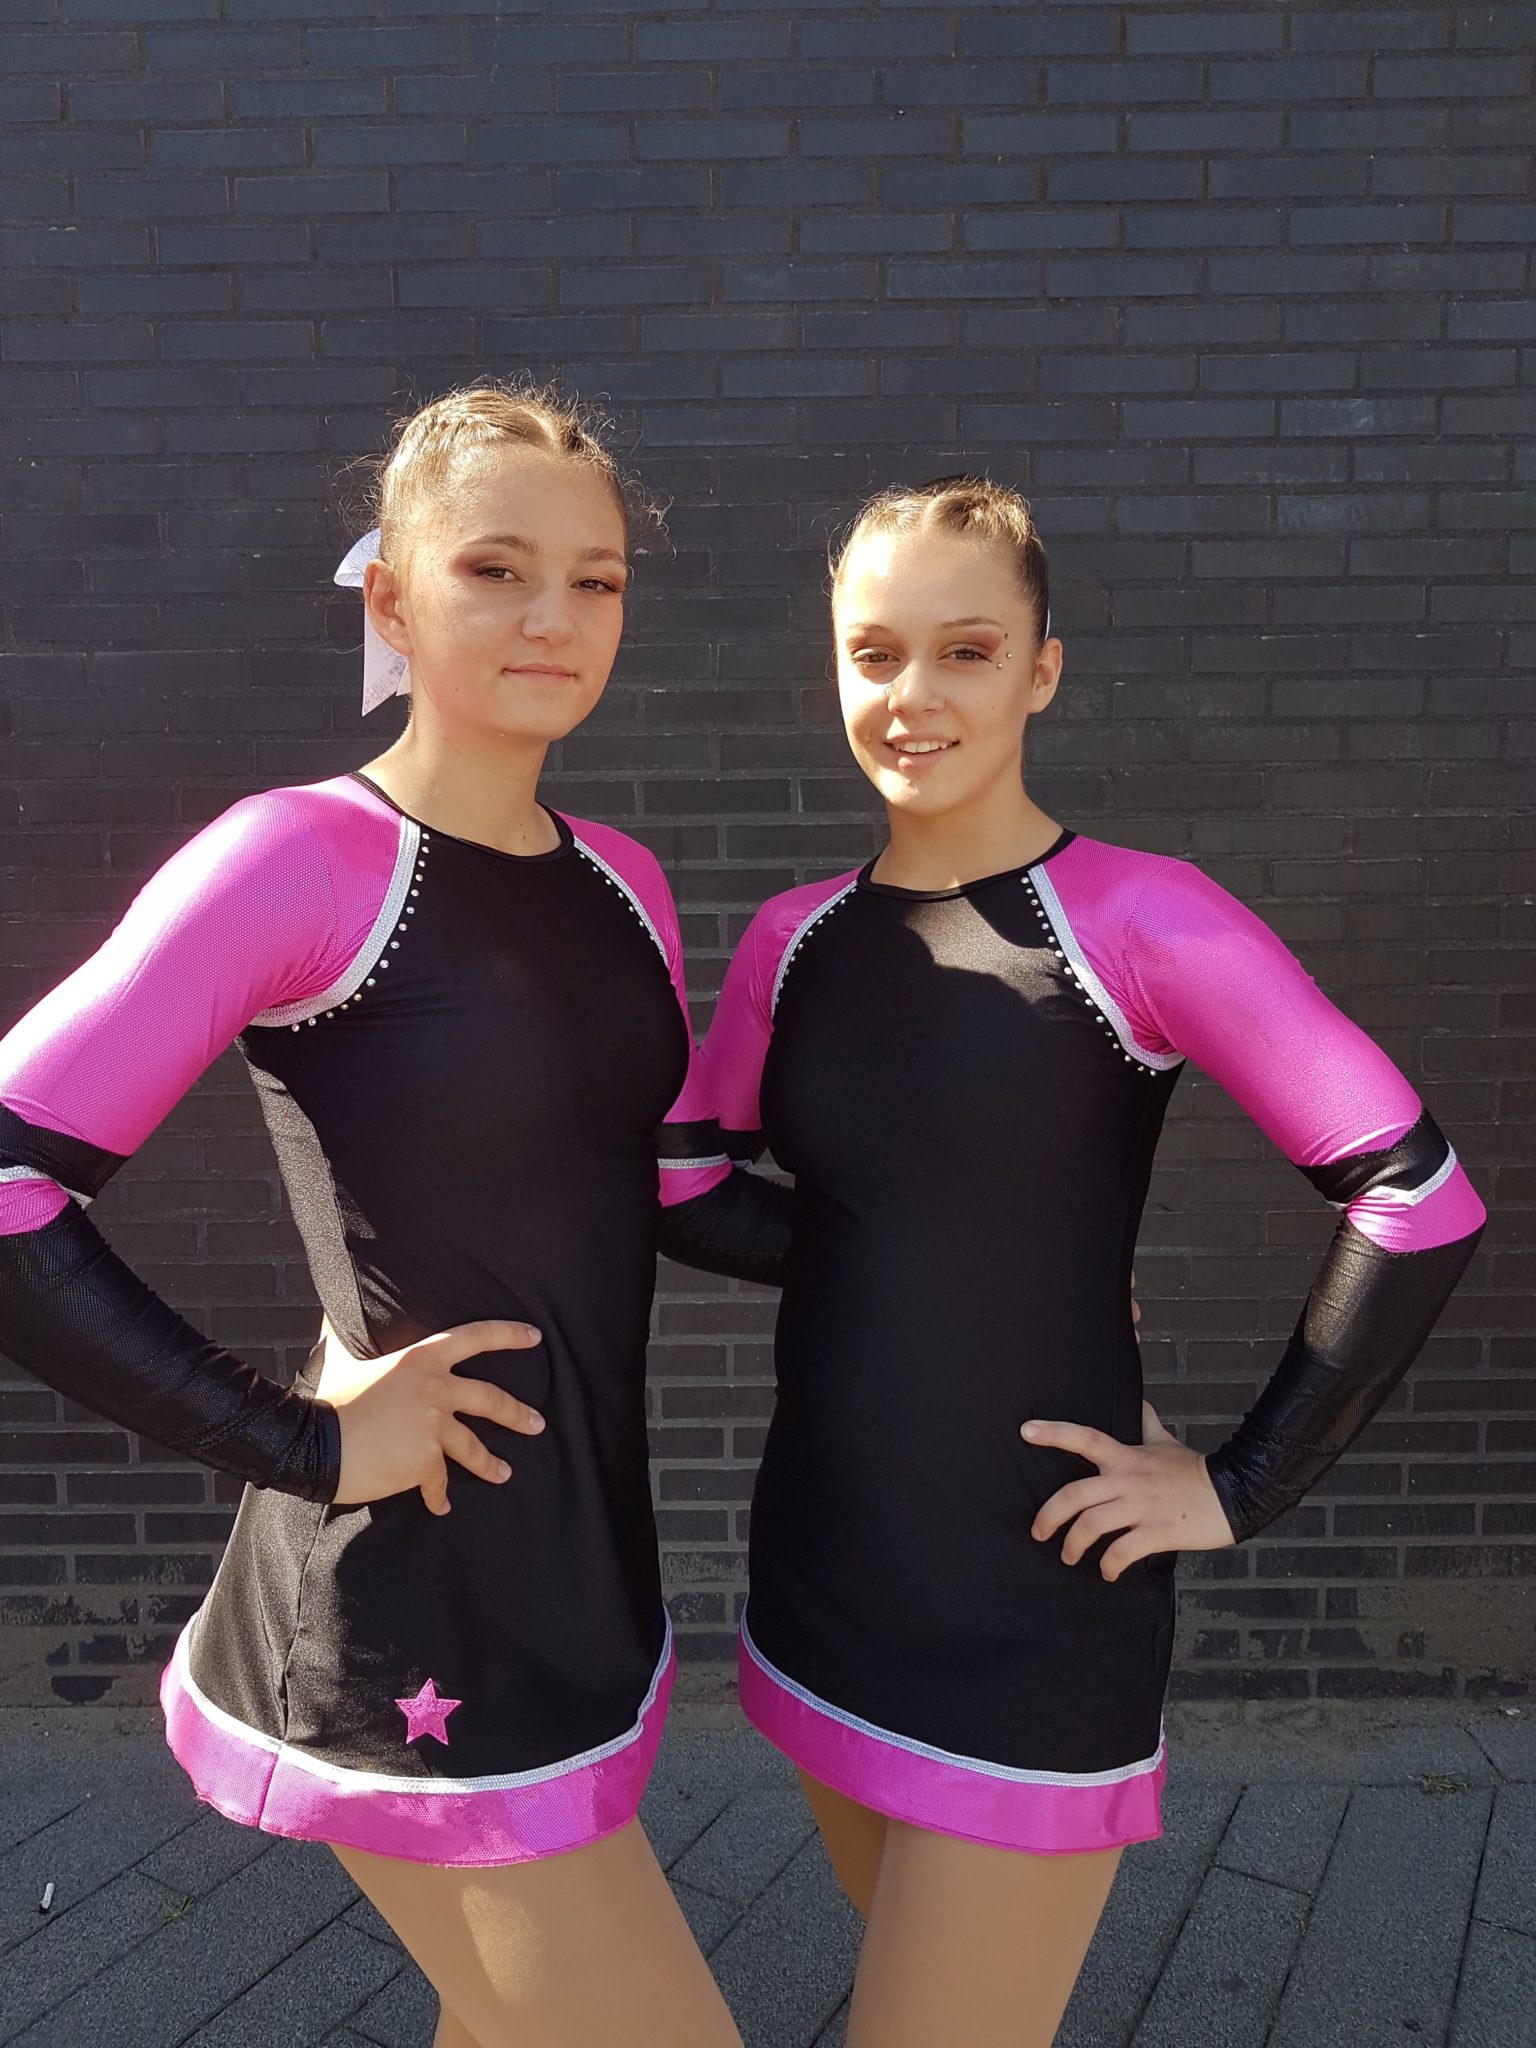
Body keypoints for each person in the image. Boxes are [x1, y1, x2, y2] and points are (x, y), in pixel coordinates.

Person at [0, 383, 781, 2048]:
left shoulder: (623, 880)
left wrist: (995, 1269)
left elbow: (668, 1195)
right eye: (495, 568)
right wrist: (296, 1438)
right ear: (392, 597)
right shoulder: (298, 859)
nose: (554, 616)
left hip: (578, 1567)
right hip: (406, 1591)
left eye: (596, 579)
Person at [698, 476, 1487, 2048]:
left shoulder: (1139, 919)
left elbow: (1416, 1196)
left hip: (1036, 1594)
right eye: (875, 652)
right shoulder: (794, 936)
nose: (914, 696)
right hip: (820, 1575)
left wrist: (1240, 1486)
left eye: (967, 650)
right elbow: (680, 1182)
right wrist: (931, 1267)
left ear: (1042, 669)